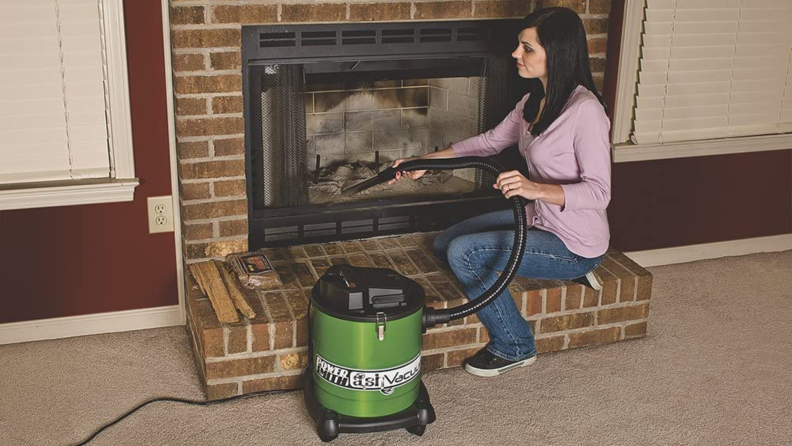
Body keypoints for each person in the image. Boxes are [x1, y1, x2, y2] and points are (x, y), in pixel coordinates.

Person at [388, 7, 612, 377]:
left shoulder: (584, 111)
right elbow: (489, 142)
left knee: (466, 255)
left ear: (556, 53)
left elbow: (600, 192)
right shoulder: (534, 102)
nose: (515, 54)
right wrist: (425, 160)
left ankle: (515, 344)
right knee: (447, 243)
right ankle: (545, 269)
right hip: (540, 219)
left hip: (575, 242)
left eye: (527, 48)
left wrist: (532, 187)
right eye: (518, 46)